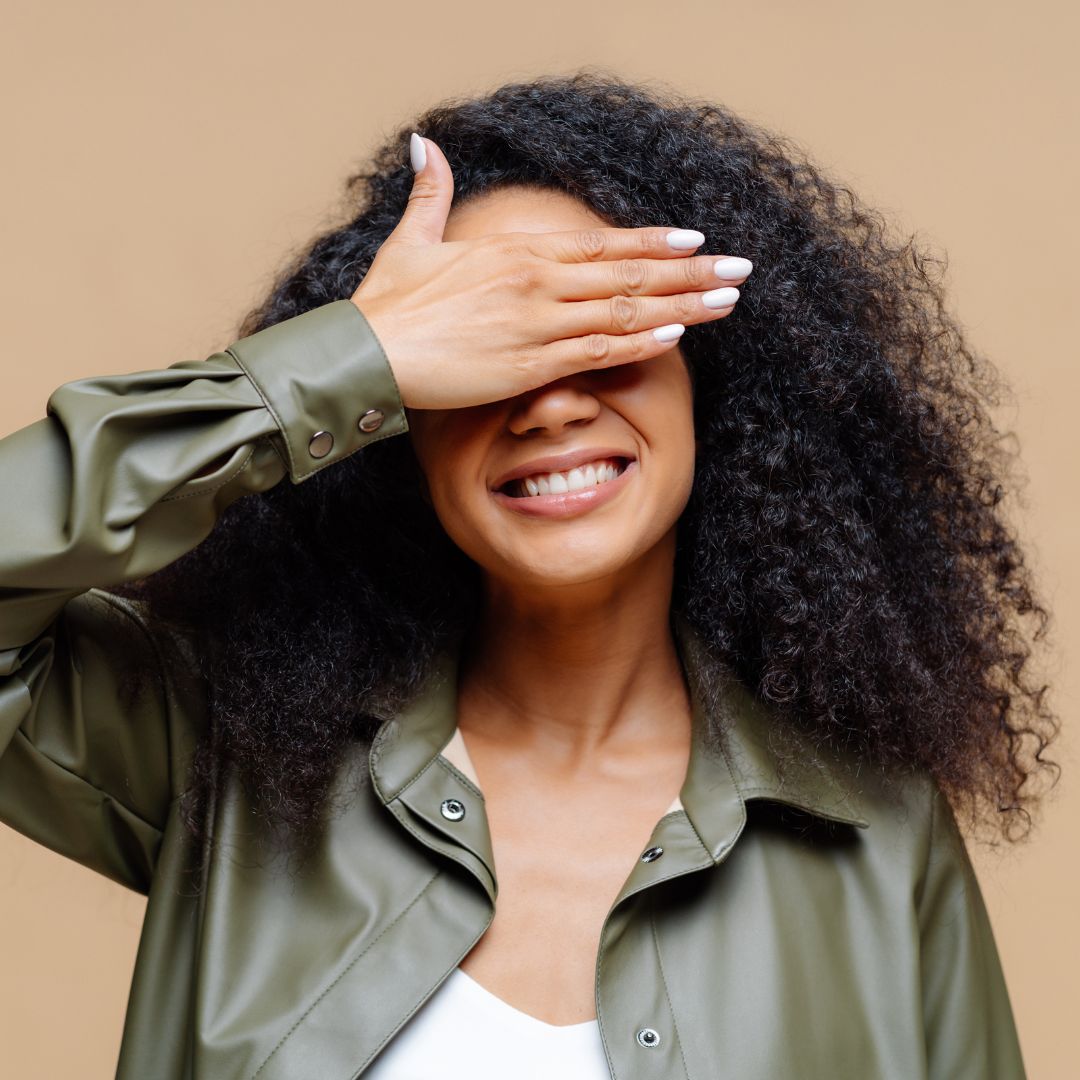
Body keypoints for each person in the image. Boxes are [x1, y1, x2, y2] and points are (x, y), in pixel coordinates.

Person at [0, 73, 1054, 1079]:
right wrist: (348, 359)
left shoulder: (875, 826)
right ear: (396, 425)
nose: (548, 404)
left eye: (603, 329)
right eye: (486, 349)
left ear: (713, 384)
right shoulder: (228, 751)